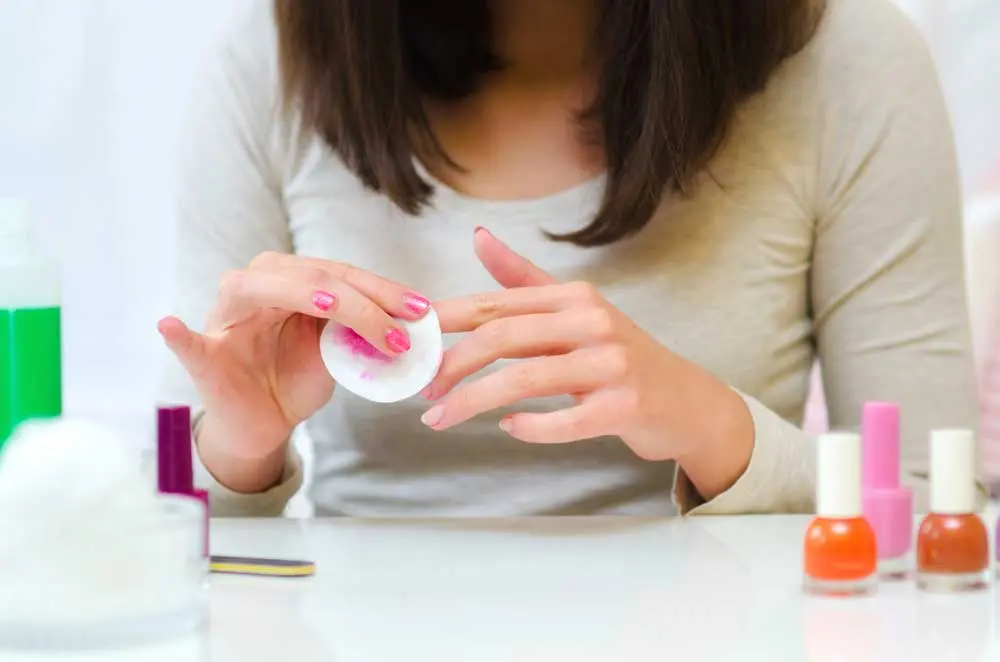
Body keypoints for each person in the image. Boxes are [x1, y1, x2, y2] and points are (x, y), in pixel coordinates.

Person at [158, 0, 981, 517]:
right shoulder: (266, 55)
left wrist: (710, 425)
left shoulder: (849, 56)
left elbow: (939, 504)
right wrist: (234, 447)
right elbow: (162, 491)